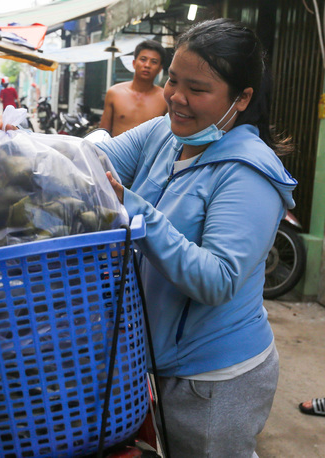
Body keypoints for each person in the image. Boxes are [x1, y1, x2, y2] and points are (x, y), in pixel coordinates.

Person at [97, 19, 296, 457]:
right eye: (173, 80)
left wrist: (137, 211)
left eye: (197, 89)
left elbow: (218, 278)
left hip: (214, 380)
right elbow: (93, 160)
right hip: (158, 363)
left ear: (241, 98)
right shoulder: (166, 135)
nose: (175, 98)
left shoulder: (247, 173)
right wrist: (26, 147)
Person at [99, 39, 168, 136]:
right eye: (143, 59)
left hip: (148, 151)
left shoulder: (165, 98)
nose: (147, 65)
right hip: (117, 150)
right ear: (134, 63)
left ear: (160, 69)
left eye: (154, 62)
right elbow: (102, 133)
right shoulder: (114, 93)